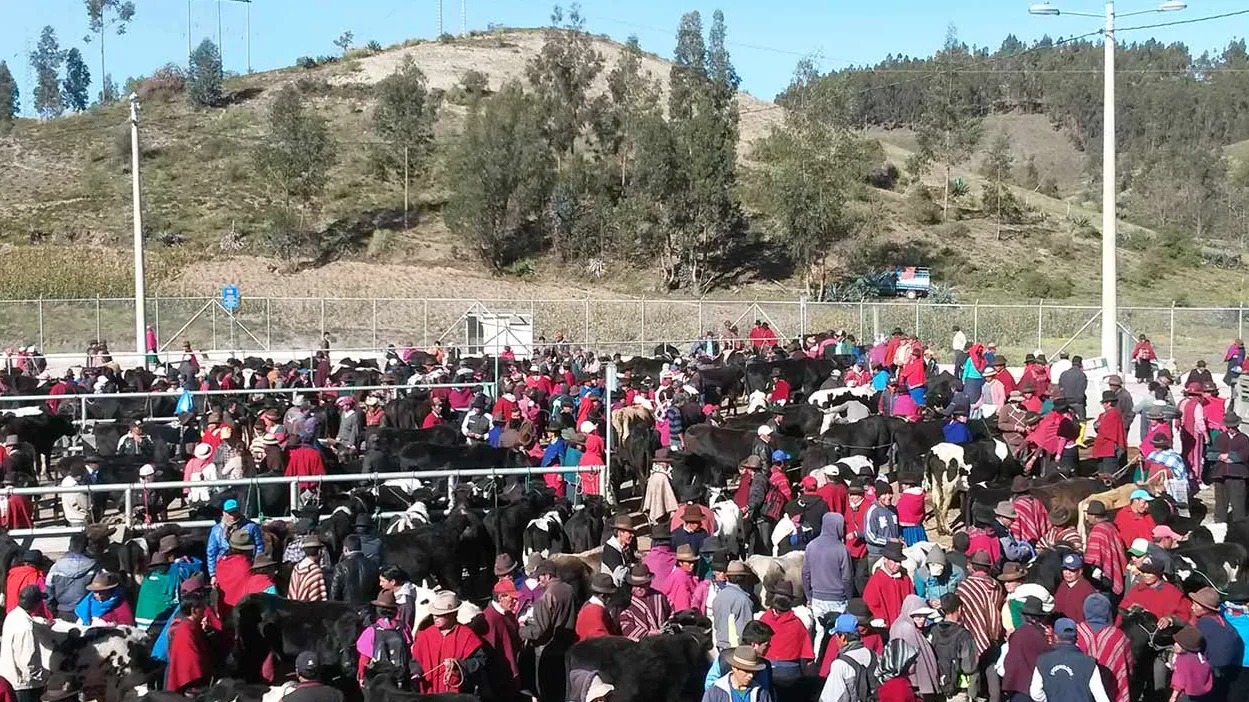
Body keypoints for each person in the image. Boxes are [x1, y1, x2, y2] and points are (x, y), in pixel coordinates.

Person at [518, 561, 576, 702]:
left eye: (540, 577)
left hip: (549, 650)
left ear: (548, 576)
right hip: (568, 646)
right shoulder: (569, 589)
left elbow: (539, 631)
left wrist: (521, 631)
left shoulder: (546, 598)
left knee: (548, 692)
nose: (537, 580)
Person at [411, 591, 486, 695]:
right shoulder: (425, 635)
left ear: (452, 614)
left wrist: (459, 664)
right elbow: (416, 661)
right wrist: (416, 673)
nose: (435, 617)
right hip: (429, 694)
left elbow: (480, 662)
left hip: (457, 695)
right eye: (434, 614)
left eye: (440, 614)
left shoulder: (467, 636)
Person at [802, 511, 853, 654]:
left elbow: (805, 574)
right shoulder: (842, 549)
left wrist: (809, 596)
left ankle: (818, 661)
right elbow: (847, 577)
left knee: (819, 631)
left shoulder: (811, 546)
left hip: (817, 598)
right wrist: (849, 598)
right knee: (837, 633)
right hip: (837, 599)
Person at [1030, 618, 1111, 702]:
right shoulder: (1089, 663)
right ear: (1076, 638)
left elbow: (1035, 693)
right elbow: (1101, 697)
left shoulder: (1043, 660)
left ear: (1055, 636)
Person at [757, 581, 813, 696]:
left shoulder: (764, 619)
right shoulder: (798, 624)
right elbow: (806, 656)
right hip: (791, 675)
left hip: (767, 672)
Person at [1076, 594, 1132, 702]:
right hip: (1112, 687)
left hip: (1080, 691)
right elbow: (1128, 665)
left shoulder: (1076, 632)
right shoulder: (1119, 636)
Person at [1189, 587, 1242, 698]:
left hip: (1210, 673)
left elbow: (1190, 644)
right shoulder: (1220, 619)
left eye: (1196, 605)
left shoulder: (1204, 623)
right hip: (1226, 672)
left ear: (1205, 608)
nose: (1192, 607)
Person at [0, 586, 49, 702]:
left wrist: (41, 621)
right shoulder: (26, 629)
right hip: (24, 686)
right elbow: (29, 664)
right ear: (35, 604)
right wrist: (46, 677)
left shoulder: (12, 615)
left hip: (8, 676)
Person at [888, 595, 940, 698]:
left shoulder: (899, 624)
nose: (922, 619)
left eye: (924, 616)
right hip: (914, 683)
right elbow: (919, 660)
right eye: (918, 616)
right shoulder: (908, 629)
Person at [820, 614, 878, 702]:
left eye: (836, 635)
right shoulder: (874, 655)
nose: (835, 639)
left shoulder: (840, 664)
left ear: (843, 637)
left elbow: (831, 698)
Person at [164, 593, 213, 694]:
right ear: (193, 610)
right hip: (189, 682)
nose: (204, 611)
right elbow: (191, 660)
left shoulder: (192, 626)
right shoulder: (186, 630)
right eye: (202, 607)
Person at [45, 534, 98, 623]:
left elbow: (48, 592)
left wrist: (54, 610)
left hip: (62, 612)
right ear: (86, 547)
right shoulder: (94, 567)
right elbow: (100, 589)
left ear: (70, 546)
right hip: (86, 613)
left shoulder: (56, 567)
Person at [205, 499, 262, 581]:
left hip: (246, 564)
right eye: (230, 513)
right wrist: (213, 574)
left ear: (239, 511)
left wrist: (257, 564)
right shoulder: (216, 530)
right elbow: (211, 552)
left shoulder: (251, 526)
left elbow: (259, 546)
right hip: (223, 566)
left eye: (234, 512)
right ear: (224, 513)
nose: (232, 516)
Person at [1209, 414, 1249, 523]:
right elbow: (1210, 454)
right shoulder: (1220, 437)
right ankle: (1219, 525)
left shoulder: (1244, 438)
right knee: (1220, 504)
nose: (1231, 429)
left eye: (1233, 427)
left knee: (1238, 504)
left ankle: (1239, 527)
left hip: (1237, 475)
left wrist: (1231, 457)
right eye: (1229, 427)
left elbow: (1246, 455)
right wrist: (1220, 456)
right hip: (1220, 475)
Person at [863, 543, 915, 626]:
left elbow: (912, 599)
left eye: (899, 562)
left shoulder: (905, 579)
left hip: (905, 624)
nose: (898, 564)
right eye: (894, 561)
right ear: (885, 560)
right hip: (886, 625)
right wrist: (879, 617)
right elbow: (869, 602)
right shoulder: (876, 580)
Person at [618, 564, 673, 641]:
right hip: (640, 646)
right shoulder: (626, 602)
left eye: (642, 585)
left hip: (663, 642)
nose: (638, 588)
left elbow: (672, 613)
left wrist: (667, 627)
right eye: (635, 585)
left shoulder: (659, 597)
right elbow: (626, 628)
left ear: (649, 583)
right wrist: (650, 633)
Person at [1083, 501, 1127, 596]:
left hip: (1104, 580)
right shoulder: (1111, 527)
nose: (1087, 518)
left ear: (1094, 516)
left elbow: (1092, 560)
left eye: (1088, 515)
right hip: (1114, 575)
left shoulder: (1097, 530)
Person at [701, 646, 774, 702]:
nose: (751, 675)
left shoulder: (761, 693)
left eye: (753, 672)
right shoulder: (715, 692)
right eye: (746, 671)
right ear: (734, 668)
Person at [713, 561, 756, 652]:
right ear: (744, 579)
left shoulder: (719, 596)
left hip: (721, 645)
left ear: (727, 578)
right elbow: (745, 630)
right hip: (736, 649)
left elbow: (717, 624)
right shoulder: (744, 600)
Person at [331, 535, 380, 607]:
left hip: (348, 610)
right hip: (368, 609)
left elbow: (334, 593)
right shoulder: (373, 564)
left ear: (345, 549)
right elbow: (377, 589)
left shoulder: (340, 567)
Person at [1170, 626, 1214, 702]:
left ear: (1186, 646)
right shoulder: (1200, 657)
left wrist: (1173, 696)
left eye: (1179, 643)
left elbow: (1179, 680)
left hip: (1187, 695)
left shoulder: (1182, 660)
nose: (1175, 644)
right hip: (1203, 694)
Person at [4, 552, 48, 620]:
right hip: (29, 617)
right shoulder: (38, 577)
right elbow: (44, 603)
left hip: (11, 614)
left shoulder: (12, 574)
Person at [1092, 391, 1128, 474]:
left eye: (1104, 403)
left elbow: (1106, 429)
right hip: (1102, 446)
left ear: (1109, 403)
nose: (1103, 405)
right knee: (1101, 470)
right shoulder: (1104, 414)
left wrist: (1098, 425)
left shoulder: (1113, 413)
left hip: (1109, 447)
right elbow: (1097, 425)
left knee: (1109, 472)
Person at [575, 574, 620, 640]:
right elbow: (600, 639)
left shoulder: (592, 607)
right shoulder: (594, 611)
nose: (613, 598)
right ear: (603, 595)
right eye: (611, 595)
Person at [289, 535, 328, 602]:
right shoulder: (315, 571)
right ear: (319, 551)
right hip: (309, 611)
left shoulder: (296, 568)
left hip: (294, 609)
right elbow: (319, 601)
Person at [601, 514, 636, 585]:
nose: (632, 535)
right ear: (620, 533)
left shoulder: (627, 546)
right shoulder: (610, 550)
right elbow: (620, 575)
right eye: (629, 532)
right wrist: (634, 568)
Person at [663, 545, 699, 612]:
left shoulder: (686, 574)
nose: (692, 564)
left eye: (693, 562)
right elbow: (683, 602)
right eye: (689, 562)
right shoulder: (681, 578)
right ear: (680, 563)